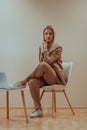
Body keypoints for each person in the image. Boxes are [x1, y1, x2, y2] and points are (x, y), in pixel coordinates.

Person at [21, 25, 66, 118]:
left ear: (53, 36)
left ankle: (26, 78)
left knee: (44, 65)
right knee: (32, 82)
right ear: (43, 35)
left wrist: (45, 49)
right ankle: (38, 110)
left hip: (55, 78)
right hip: (45, 77)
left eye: (50, 33)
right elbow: (40, 64)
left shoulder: (58, 47)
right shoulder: (40, 47)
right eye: (46, 33)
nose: (48, 35)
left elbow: (47, 62)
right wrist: (43, 49)